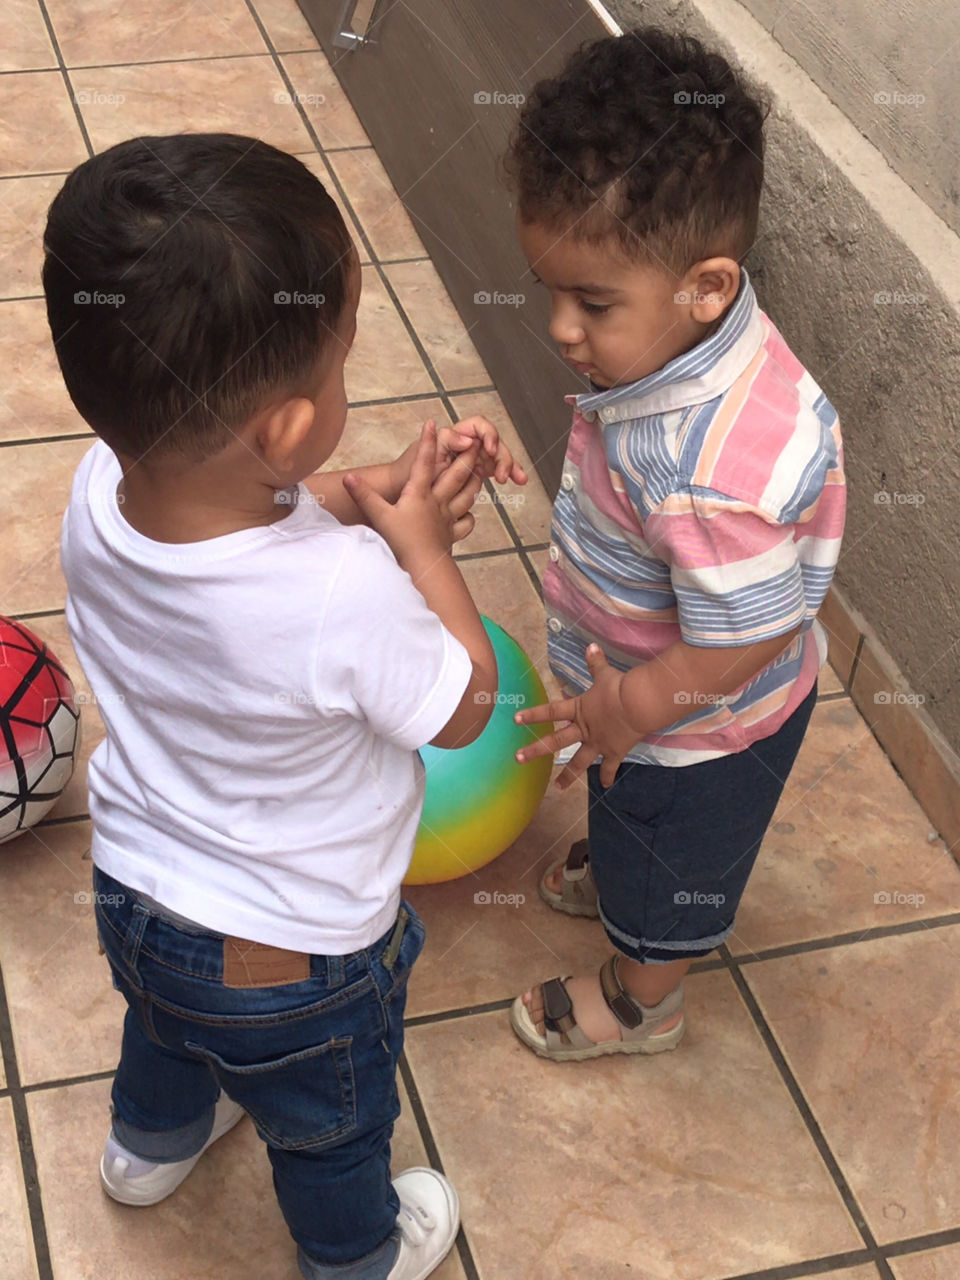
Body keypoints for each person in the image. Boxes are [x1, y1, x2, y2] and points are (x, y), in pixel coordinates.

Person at [45, 132, 523, 1280]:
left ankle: (146, 1149)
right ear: (290, 427)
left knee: (165, 1030)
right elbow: (465, 706)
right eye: (340, 361)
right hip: (294, 955)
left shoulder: (100, 488)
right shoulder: (343, 594)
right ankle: (355, 1255)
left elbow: (237, 521)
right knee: (329, 1122)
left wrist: (358, 500)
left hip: (139, 892)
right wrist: (420, 553)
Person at [503, 28, 846, 1060]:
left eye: (593, 303)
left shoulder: (707, 475)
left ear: (705, 284)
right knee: (625, 804)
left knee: (665, 857)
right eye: (550, 290)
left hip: (701, 727)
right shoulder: (693, 336)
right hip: (651, 692)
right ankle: (618, 856)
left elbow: (746, 636)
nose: (563, 328)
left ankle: (642, 997)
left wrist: (630, 708)